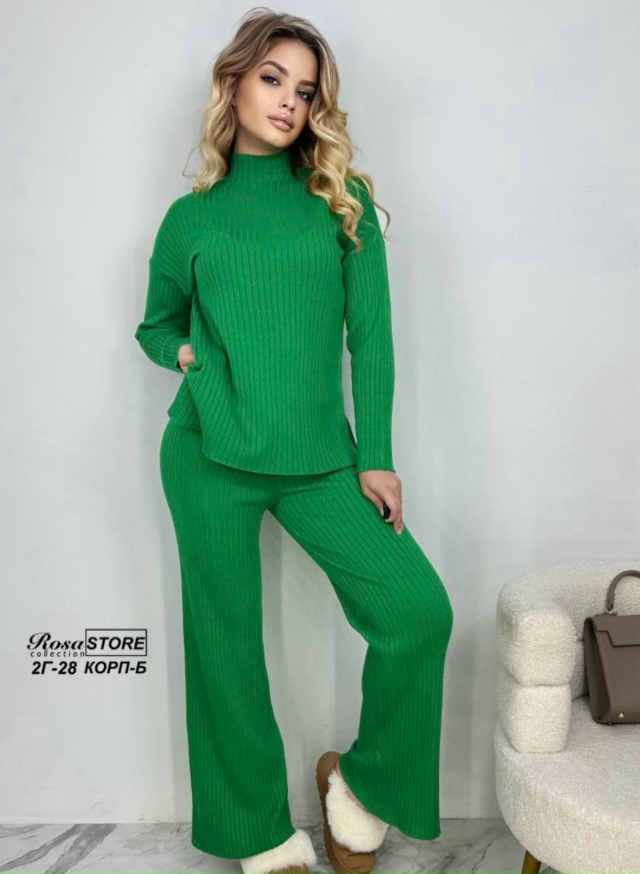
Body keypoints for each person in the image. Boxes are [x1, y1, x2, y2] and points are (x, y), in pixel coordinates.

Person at [134, 8, 454, 874]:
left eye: (305, 90)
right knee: (226, 647)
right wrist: (188, 355)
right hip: (207, 455)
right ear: (233, 83)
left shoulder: (341, 203)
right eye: (272, 79)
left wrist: (375, 454)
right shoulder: (189, 219)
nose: (287, 101)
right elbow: (155, 326)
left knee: (417, 613)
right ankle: (257, 832)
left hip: (319, 460)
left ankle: (360, 785)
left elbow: (371, 339)